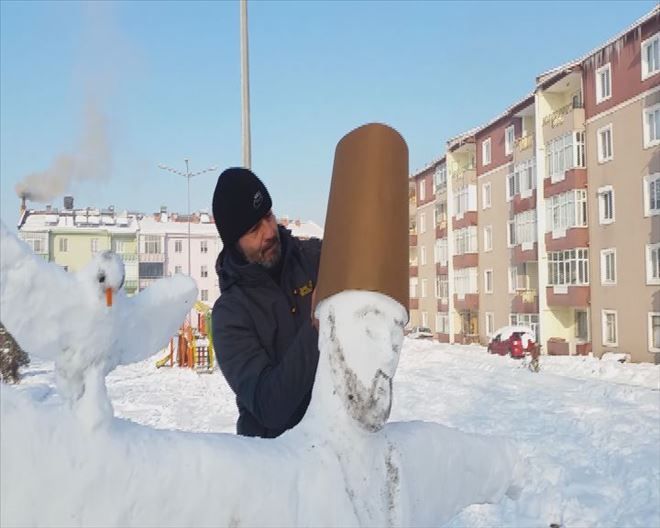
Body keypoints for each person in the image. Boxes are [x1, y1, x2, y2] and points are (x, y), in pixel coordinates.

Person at [211, 167, 321, 438]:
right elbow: (270, 406)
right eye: (254, 229)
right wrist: (318, 325)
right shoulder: (230, 314)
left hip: (338, 449)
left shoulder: (315, 258)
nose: (270, 231)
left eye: (268, 216)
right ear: (234, 242)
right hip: (274, 463)